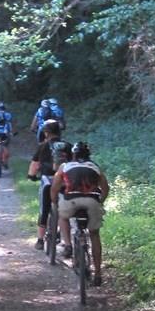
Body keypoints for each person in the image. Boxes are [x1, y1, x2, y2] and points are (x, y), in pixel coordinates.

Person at [52, 140, 110, 286]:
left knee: (63, 217)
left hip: (70, 200)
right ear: (89, 154)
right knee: (94, 234)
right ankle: (98, 273)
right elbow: (105, 188)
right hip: (92, 201)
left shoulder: (65, 166)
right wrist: (100, 201)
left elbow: (55, 187)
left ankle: (68, 245)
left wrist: (54, 202)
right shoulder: (95, 167)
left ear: (73, 154)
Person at [25, 119, 67, 250]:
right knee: (63, 208)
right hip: (64, 181)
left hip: (47, 180)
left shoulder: (43, 146)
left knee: (44, 209)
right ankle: (62, 235)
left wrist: (31, 176)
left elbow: (35, 164)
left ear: (46, 133)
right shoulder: (67, 146)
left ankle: (40, 240)